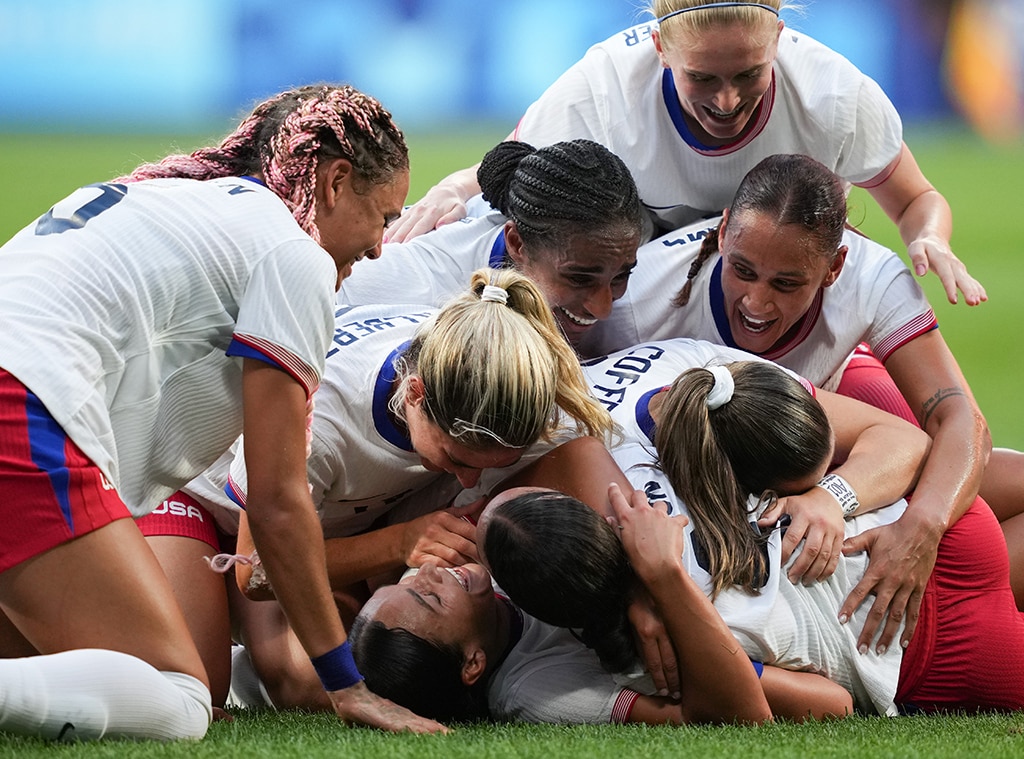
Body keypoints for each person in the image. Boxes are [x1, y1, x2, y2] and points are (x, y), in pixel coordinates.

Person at [0, 83, 445, 740]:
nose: (383, 246)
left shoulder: (183, 194)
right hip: (22, 405)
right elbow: (274, 499)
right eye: (384, 215)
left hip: (24, 395)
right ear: (335, 182)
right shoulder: (293, 256)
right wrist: (346, 684)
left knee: (45, 662)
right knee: (181, 698)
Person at [352, 349, 1024, 722]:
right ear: (470, 661)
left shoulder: (511, 544)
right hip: (907, 610)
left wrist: (647, 585)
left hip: (899, 549)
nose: (431, 573)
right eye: (429, 598)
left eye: (411, 580)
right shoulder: (539, 678)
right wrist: (663, 588)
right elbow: (805, 706)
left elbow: (574, 456)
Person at [578, 153, 1024, 639]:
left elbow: (961, 419)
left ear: (834, 267)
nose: (756, 301)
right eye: (743, 271)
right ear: (724, 232)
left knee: (942, 475)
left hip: (822, 429)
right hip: (729, 474)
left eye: (787, 284)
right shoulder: (634, 306)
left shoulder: (872, 278)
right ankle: (968, 605)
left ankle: (971, 590)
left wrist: (919, 527)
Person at [187, 268, 614, 711]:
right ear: (414, 393)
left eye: (489, 465)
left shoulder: (493, 368)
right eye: (458, 460)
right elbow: (256, 573)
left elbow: (579, 459)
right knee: (302, 682)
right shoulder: (325, 418)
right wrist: (401, 542)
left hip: (335, 519)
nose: (466, 480)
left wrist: (631, 597)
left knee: (376, 663)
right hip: (208, 501)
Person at [385, 0, 984, 308]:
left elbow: (916, 199)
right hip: (641, 303)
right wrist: (456, 190)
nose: (727, 101)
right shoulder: (604, 85)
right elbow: (512, 165)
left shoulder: (834, 94)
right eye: (702, 78)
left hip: (786, 311)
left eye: (749, 73)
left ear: (778, 39)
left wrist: (929, 237)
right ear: (659, 49)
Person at [339, 139, 642, 349]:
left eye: (621, 276)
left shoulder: (602, 230)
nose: (603, 309)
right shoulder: (403, 286)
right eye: (579, 278)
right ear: (517, 244)